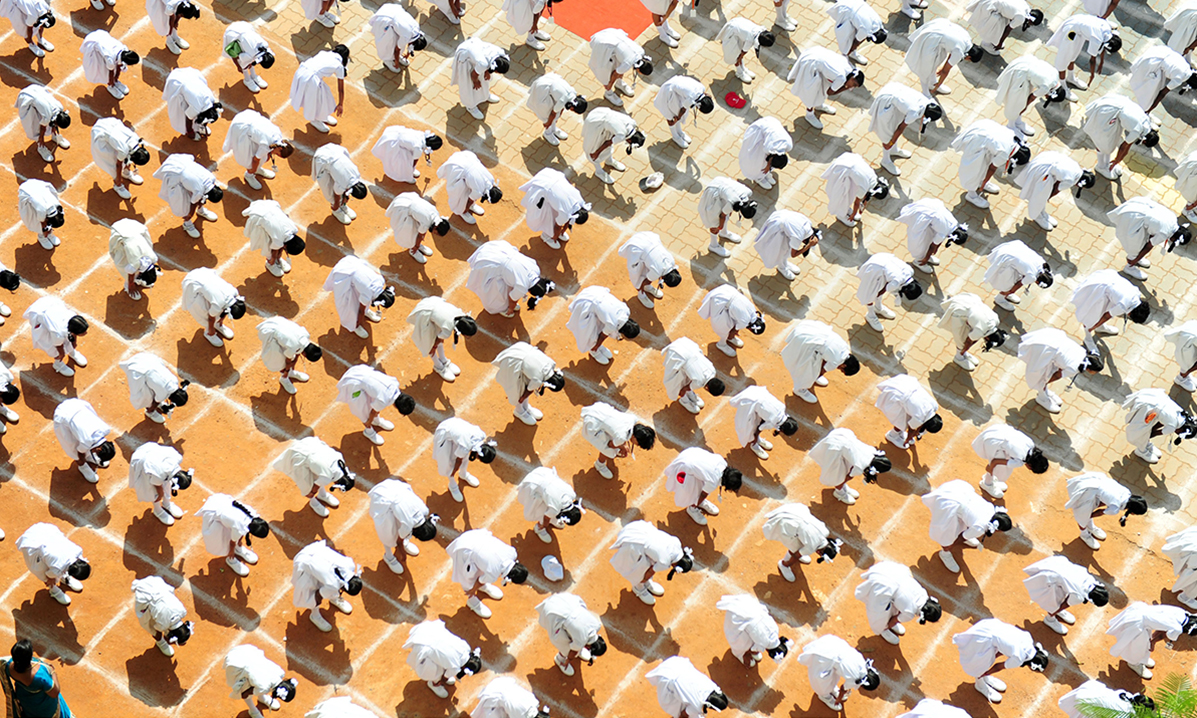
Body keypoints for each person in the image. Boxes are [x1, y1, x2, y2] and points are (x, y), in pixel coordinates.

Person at [923, 479, 1012, 573]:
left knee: (964, 524)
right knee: (947, 535)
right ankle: (945, 553)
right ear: (998, 530)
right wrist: (951, 543)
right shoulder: (980, 528)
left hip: (958, 492)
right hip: (950, 504)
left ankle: (966, 534)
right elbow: (961, 538)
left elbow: (972, 519)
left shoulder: (990, 508)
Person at [953, 619, 1048, 702]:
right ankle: (980, 684)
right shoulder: (1018, 659)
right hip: (983, 639)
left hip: (990, 625)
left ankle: (984, 678)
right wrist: (986, 672)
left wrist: (990, 659)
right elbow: (999, 666)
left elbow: (1005, 648)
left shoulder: (1028, 639)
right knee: (979, 664)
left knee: (986, 660)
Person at [447, 528, 527, 618]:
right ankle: (472, 601)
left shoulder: (512, 553)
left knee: (482, 567)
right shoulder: (493, 573)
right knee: (468, 577)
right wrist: (472, 590)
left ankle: (483, 587)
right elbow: (479, 581)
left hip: (475, 536)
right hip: (465, 548)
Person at [855, 561, 941, 644]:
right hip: (882, 585)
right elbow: (895, 620)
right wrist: (888, 625)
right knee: (878, 615)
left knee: (895, 607)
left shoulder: (923, 593)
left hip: (891, 571)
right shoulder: (909, 613)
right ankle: (883, 630)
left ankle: (885, 623)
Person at [1018, 328, 1102, 412]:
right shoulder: (1074, 369)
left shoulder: (1082, 352)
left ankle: (1044, 391)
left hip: (1053, 341)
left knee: (1046, 374)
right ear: (1090, 369)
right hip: (1046, 350)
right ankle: (1042, 397)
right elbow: (1057, 375)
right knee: (1039, 375)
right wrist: (1043, 383)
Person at [950, 119, 1029, 209]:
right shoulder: (1004, 154)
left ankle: (980, 181)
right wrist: (985, 182)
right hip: (977, 140)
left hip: (984, 130)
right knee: (973, 168)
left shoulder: (1015, 138)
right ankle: (971, 194)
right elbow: (992, 168)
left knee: (984, 163)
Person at [610, 521, 693, 605]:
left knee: (650, 561)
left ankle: (646, 583)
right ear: (675, 565)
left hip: (641, 530)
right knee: (640, 569)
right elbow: (650, 571)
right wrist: (643, 579)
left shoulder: (677, 543)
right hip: (635, 544)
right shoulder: (665, 562)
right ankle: (638, 587)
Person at [1106, 602, 1197, 679]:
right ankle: (1134, 663)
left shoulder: (1181, 612)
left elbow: (1162, 625)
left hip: (1139, 612)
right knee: (1137, 648)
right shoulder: (1177, 628)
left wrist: (1151, 640)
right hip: (1137, 624)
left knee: (1145, 643)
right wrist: (1153, 642)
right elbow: (1163, 633)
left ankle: (1142, 659)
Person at [1023, 555, 1109, 635]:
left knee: (1061, 595)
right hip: (1049, 579)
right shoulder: (1078, 597)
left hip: (1057, 563)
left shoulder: (1090, 579)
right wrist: (1055, 610)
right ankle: (1050, 619)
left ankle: (1055, 613)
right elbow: (1065, 604)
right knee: (1053, 602)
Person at [367, 478, 437, 574]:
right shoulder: (407, 526)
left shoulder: (425, 511)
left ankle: (406, 543)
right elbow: (399, 540)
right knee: (387, 533)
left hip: (396, 488)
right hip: (384, 498)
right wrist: (402, 552)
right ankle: (389, 557)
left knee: (399, 525)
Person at [869, 84, 942, 175]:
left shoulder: (927, 102)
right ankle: (886, 160)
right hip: (886, 102)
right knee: (888, 133)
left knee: (895, 125)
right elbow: (901, 128)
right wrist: (891, 142)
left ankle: (893, 150)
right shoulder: (914, 112)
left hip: (894, 93)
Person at [780, 321, 858, 404]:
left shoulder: (844, 347)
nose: (839, 369)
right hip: (806, 341)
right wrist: (812, 377)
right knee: (806, 370)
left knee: (815, 365)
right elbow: (822, 371)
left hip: (809, 329)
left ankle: (809, 380)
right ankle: (800, 389)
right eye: (842, 370)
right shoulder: (836, 361)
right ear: (844, 365)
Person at [1110, 197, 1188, 280]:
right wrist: (1136, 259)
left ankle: (1136, 259)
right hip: (1133, 219)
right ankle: (1130, 266)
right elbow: (1148, 246)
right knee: (1135, 246)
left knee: (1141, 241)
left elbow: (1154, 228)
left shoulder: (1173, 218)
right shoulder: (1164, 234)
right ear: (1174, 240)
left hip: (1138, 207)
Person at [291, 540, 362, 632]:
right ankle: (315, 615)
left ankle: (334, 599)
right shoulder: (332, 584)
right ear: (343, 588)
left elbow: (335, 581)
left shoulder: (350, 565)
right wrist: (315, 600)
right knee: (311, 594)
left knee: (331, 588)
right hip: (307, 563)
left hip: (320, 562)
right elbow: (318, 596)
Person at [335, 365, 415, 446]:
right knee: (362, 410)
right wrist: (368, 422)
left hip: (362, 372)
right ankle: (369, 431)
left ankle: (376, 421)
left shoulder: (395, 383)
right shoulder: (383, 400)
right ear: (397, 407)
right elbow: (374, 411)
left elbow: (377, 404)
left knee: (372, 400)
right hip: (354, 383)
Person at [467, 241, 552, 316]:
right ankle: (500, 308)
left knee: (509, 284)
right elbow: (513, 300)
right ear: (530, 291)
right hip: (493, 264)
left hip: (499, 250)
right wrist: (510, 309)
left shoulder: (536, 269)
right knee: (494, 294)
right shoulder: (522, 288)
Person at [1070, 269, 1149, 351]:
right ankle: (1088, 338)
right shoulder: (1123, 306)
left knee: (1100, 312)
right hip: (1099, 289)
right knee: (1091, 316)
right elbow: (1106, 316)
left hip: (1108, 282)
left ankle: (1100, 328)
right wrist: (1094, 326)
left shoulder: (1137, 293)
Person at [276, 436, 355, 517]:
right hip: (300, 456)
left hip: (310, 444)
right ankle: (313, 502)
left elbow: (322, 475)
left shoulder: (341, 461)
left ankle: (322, 495)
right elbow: (315, 487)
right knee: (307, 487)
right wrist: (310, 492)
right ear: (337, 482)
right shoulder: (327, 477)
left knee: (319, 475)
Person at [1082, 95, 1156, 181]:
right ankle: (1101, 166)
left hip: (1117, 106)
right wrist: (1117, 161)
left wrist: (1117, 160)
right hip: (1108, 112)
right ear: (1144, 141)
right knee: (1102, 140)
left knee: (1111, 140)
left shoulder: (1147, 122)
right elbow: (1124, 147)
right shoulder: (1138, 130)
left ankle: (1107, 164)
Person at [1066, 471, 1147, 549]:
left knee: (1088, 511)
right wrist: (1086, 516)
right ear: (1132, 512)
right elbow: (1099, 512)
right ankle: (1084, 535)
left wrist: (1091, 509)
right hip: (1088, 490)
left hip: (1096, 483)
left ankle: (1090, 527)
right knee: (1082, 517)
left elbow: (1105, 500)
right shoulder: (1115, 508)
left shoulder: (1127, 492)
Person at [787, 47, 864, 129]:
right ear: (852, 78)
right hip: (811, 63)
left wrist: (847, 85)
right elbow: (830, 93)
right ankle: (809, 114)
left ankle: (818, 105)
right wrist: (845, 87)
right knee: (811, 91)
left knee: (823, 85)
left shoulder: (848, 68)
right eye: (854, 84)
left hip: (815, 53)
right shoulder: (841, 78)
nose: (852, 87)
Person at [798, 635, 880, 710]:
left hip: (835, 645)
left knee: (834, 675)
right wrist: (838, 699)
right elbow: (843, 689)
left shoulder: (863, 664)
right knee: (820, 680)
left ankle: (831, 687)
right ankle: (824, 696)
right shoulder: (855, 680)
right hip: (826, 656)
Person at [1018, 150, 1094, 231]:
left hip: (1046, 159)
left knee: (1043, 196)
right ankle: (1037, 216)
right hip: (1044, 171)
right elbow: (1056, 189)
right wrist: (1046, 198)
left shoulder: (1077, 168)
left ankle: (1042, 213)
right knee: (1039, 197)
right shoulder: (1071, 180)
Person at [197, 493, 270, 577]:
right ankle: (230, 560)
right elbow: (232, 542)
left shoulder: (252, 515)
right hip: (214, 513)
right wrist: (231, 552)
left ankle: (238, 549)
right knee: (223, 541)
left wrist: (239, 542)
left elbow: (243, 531)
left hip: (225, 510)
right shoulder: (238, 526)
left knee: (234, 534)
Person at [812, 428, 891, 505]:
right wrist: (842, 481)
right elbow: (848, 476)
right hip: (835, 448)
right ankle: (839, 492)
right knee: (838, 476)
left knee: (845, 468)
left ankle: (843, 488)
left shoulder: (872, 451)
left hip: (842, 437)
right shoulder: (860, 467)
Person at [16, 523, 90, 605]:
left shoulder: (78, 551)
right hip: (33, 543)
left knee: (53, 565)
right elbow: (49, 575)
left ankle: (64, 578)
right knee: (40, 570)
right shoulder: (57, 569)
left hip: (46, 532)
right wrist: (50, 580)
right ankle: (53, 590)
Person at [664, 447, 742, 525]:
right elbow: (703, 494)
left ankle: (697, 502)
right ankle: (692, 508)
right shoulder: (713, 481)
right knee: (692, 490)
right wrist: (698, 501)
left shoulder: (723, 462)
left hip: (690, 453)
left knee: (701, 483)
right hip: (685, 467)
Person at [763, 503, 840, 581]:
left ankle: (799, 553)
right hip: (787, 523)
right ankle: (784, 565)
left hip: (797, 511)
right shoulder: (811, 548)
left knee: (801, 544)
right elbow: (796, 555)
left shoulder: (825, 531)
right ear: (820, 552)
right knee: (796, 548)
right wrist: (799, 554)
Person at [404, 620, 482, 697]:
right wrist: (447, 676)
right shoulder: (455, 667)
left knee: (444, 663)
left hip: (430, 631)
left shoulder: (466, 647)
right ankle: (434, 684)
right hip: (423, 647)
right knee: (437, 671)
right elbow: (446, 676)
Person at [905, 19, 982, 96]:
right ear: (969, 57)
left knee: (938, 59)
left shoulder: (967, 38)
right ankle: (926, 91)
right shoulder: (959, 52)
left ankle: (932, 82)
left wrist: (942, 69)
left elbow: (951, 56)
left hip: (939, 31)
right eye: (969, 60)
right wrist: (939, 83)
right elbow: (946, 71)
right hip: (932, 37)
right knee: (927, 67)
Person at [407, 296, 477, 381]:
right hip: (425, 314)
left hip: (432, 304)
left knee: (437, 337)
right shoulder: (447, 329)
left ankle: (443, 360)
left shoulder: (460, 315)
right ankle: (438, 366)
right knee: (429, 342)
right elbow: (438, 339)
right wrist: (432, 347)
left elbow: (440, 336)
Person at [1049, 15, 1119, 99]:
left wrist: (1101, 63)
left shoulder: (1108, 30)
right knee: (1064, 58)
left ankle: (1070, 78)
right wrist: (1092, 75)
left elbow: (1102, 47)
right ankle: (1063, 87)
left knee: (1073, 54)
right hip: (1071, 30)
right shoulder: (1097, 38)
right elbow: (1092, 60)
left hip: (1079, 31)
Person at [494, 342, 564, 425]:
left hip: (522, 348)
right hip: (514, 361)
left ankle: (526, 407)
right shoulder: (538, 379)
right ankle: (519, 411)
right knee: (517, 390)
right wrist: (522, 398)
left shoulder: (552, 363)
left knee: (525, 382)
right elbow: (528, 390)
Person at [155, 153, 223, 238]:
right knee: (183, 205)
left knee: (199, 197)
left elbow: (201, 197)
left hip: (184, 167)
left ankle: (201, 211)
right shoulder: (199, 190)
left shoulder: (211, 178)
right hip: (175, 175)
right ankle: (187, 224)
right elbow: (193, 203)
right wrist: (189, 215)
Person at [995, 56, 1066, 138]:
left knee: (1022, 99)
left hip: (1027, 64)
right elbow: (1032, 97)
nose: (1045, 97)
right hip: (1020, 74)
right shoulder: (1046, 87)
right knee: (1015, 101)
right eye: (1047, 97)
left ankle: (1017, 122)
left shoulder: (1055, 74)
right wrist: (1024, 107)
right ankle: (1010, 126)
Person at [971, 423, 1048, 498]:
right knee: (1001, 468)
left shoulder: (1031, 444)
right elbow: (995, 461)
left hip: (998, 430)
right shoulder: (1019, 461)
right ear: (1030, 466)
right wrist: (990, 468)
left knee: (1006, 465)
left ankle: (993, 478)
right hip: (993, 441)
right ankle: (987, 484)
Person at [536, 593, 606, 676]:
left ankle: (578, 649)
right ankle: (560, 660)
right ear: (589, 647)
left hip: (565, 600)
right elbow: (572, 652)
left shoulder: (597, 625)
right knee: (567, 648)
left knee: (574, 637)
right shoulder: (582, 639)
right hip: (554, 612)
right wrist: (567, 660)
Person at [520, 168, 591, 249]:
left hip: (553, 177)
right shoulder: (565, 213)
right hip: (544, 187)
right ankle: (547, 235)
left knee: (557, 212)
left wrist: (562, 231)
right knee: (545, 214)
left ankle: (551, 233)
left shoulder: (580, 201)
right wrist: (555, 237)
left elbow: (568, 217)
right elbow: (558, 226)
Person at [323, 256, 392, 339]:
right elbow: (360, 311)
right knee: (346, 303)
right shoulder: (367, 294)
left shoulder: (381, 281)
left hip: (353, 264)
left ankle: (367, 311)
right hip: (344, 274)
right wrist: (358, 322)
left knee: (360, 295)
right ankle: (353, 325)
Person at [582, 401, 655, 478]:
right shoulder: (621, 437)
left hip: (600, 409)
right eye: (638, 443)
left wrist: (622, 444)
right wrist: (620, 448)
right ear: (634, 437)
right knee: (610, 451)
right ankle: (599, 465)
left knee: (614, 439)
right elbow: (610, 444)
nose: (637, 445)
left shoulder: (632, 418)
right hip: (592, 423)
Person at [225, 110, 293, 192]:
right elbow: (255, 159)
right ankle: (249, 175)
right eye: (278, 154)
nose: (276, 155)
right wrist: (253, 169)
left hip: (249, 120)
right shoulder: (265, 145)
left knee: (262, 157)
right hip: (242, 128)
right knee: (249, 161)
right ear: (280, 148)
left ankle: (257, 169)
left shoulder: (278, 136)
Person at [568, 287, 638, 365]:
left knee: (599, 325)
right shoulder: (612, 324)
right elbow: (603, 336)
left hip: (595, 292)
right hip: (587, 304)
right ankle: (593, 350)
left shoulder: (626, 310)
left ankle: (596, 346)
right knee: (589, 332)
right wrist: (596, 346)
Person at [1, 640, 72, 717]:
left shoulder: (10, 668)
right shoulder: (40, 676)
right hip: (45, 710)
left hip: (27, 706)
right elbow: (55, 693)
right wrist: (53, 672)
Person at [433, 416, 496, 502]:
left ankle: (463, 474)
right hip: (444, 432)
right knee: (449, 463)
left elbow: (465, 452)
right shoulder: (465, 446)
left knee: (464, 456)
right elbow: (458, 461)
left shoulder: (481, 435)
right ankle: (452, 485)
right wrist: (453, 472)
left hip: (455, 430)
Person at [224, 645, 297, 718]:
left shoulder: (281, 673)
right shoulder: (264, 687)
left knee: (258, 685)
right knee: (245, 688)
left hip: (248, 652)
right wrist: (244, 691)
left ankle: (262, 698)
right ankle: (253, 711)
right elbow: (244, 694)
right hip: (237, 662)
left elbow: (263, 680)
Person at [1123, 388, 1193, 464]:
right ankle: (1141, 450)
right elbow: (1154, 433)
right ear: (1180, 431)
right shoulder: (1172, 427)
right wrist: (1146, 435)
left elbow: (1161, 423)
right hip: (1149, 407)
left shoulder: (1182, 414)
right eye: (1178, 434)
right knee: (1139, 431)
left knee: (1146, 429)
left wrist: (1147, 433)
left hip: (1155, 398)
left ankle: (1145, 443)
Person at [857, 253, 922, 333]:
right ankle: (870, 315)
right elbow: (885, 289)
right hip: (876, 267)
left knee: (877, 291)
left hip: (883, 258)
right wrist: (875, 294)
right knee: (870, 293)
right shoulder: (895, 282)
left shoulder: (910, 271)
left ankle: (878, 308)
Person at [717, 595, 789, 667]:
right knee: (742, 642)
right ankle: (738, 653)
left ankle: (746, 648)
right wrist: (749, 652)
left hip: (748, 606)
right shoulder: (763, 643)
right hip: (737, 616)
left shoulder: (776, 629)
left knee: (752, 638)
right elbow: (753, 648)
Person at [938, 293, 1005, 371]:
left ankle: (963, 354)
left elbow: (976, 336)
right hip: (960, 310)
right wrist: (963, 350)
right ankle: (959, 357)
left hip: (970, 300)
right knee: (961, 339)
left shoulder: (996, 320)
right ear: (988, 338)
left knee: (967, 334)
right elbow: (969, 341)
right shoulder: (981, 331)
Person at [52, 398, 113, 484]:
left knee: (84, 444)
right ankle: (83, 467)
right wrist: (81, 458)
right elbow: (80, 453)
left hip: (77, 405)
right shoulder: (86, 442)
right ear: (99, 449)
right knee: (72, 448)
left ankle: (90, 456)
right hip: (63, 416)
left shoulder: (106, 429)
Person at [290, 45, 348, 133]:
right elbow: (341, 89)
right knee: (317, 99)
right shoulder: (339, 66)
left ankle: (322, 116)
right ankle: (315, 120)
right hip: (311, 78)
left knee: (324, 94)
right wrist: (340, 104)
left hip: (301, 72)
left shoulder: (324, 52)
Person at [587, 28, 652, 107]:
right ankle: (608, 93)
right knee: (604, 70)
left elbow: (621, 67)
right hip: (604, 42)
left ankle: (619, 83)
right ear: (639, 70)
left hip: (614, 37)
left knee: (618, 65)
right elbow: (615, 74)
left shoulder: (641, 52)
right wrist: (609, 84)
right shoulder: (628, 62)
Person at [181, 267, 245, 347]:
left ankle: (218, 325)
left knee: (217, 309)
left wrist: (220, 321)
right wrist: (211, 330)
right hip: (193, 282)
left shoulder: (234, 292)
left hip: (204, 275)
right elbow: (211, 317)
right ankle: (209, 333)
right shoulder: (218, 304)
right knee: (203, 311)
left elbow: (225, 309)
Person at [729, 385, 796, 460]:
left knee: (756, 421)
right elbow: (759, 429)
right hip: (750, 403)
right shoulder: (772, 422)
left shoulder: (782, 407)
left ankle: (758, 440)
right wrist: (755, 438)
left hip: (758, 392)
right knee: (747, 427)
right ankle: (753, 445)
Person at [24, 297, 88, 376]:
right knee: (53, 349)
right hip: (39, 313)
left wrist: (73, 344)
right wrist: (61, 354)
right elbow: (58, 345)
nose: (86, 333)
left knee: (68, 341)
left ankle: (72, 352)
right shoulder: (58, 333)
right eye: (83, 332)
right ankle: (58, 364)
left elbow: (73, 335)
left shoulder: (73, 317)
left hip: (50, 306)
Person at [120, 352, 189, 424]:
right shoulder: (163, 394)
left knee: (154, 388)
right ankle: (150, 412)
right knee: (142, 396)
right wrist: (154, 407)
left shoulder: (174, 380)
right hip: (137, 371)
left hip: (146, 359)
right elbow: (156, 402)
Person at [645, 657, 727, 717]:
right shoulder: (697, 705)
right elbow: (684, 715)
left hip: (678, 663)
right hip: (667, 680)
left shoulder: (711, 686)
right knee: (674, 709)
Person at [518, 466, 582, 543]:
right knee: (540, 511)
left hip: (544, 472)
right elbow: (546, 518)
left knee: (550, 509)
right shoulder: (554, 509)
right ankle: (539, 528)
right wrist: (544, 525)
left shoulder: (572, 494)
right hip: (534, 485)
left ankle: (553, 520)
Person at [698, 284, 765, 357]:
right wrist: (732, 334)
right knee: (724, 327)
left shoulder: (753, 310)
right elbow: (734, 329)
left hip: (727, 291)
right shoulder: (744, 321)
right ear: (751, 329)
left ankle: (730, 338)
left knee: (731, 322)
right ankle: (722, 344)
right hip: (720, 300)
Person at [132, 576, 193, 657]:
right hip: (144, 596)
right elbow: (156, 629)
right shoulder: (162, 625)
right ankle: (161, 642)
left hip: (157, 583)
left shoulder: (183, 611)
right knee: (149, 626)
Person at [582, 107, 645, 184]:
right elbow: (607, 143)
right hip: (596, 123)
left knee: (607, 145)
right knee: (593, 148)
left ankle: (609, 161)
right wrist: (597, 152)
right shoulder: (621, 135)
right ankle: (599, 171)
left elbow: (610, 139)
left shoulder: (632, 123)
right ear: (630, 140)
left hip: (603, 118)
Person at [257, 317, 320, 395]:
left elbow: (297, 350)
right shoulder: (293, 347)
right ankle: (284, 379)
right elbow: (288, 361)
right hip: (269, 332)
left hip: (278, 322)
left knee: (287, 352)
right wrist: (286, 371)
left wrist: (295, 361)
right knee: (279, 360)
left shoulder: (306, 335)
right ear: (305, 355)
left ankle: (291, 372)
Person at [984, 239, 1052, 311]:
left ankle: (1005, 295)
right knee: (1008, 284)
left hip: (1013, 248)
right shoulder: (1032, 276)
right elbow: (1018, 285)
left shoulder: (1042, 263)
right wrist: (1010, 291)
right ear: (1038, 282)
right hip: (1007, 257)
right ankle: (1000, 299)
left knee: (1017, 276)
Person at [619, 231, 681, 309]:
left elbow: (656, 270)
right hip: (637, 248)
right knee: (636, 275)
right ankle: (641, 294)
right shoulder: (657, 272)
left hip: (649, 239)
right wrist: (642, 286)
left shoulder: (672, 261)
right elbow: (646, 280)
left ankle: (648, 288)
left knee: (648, 268)